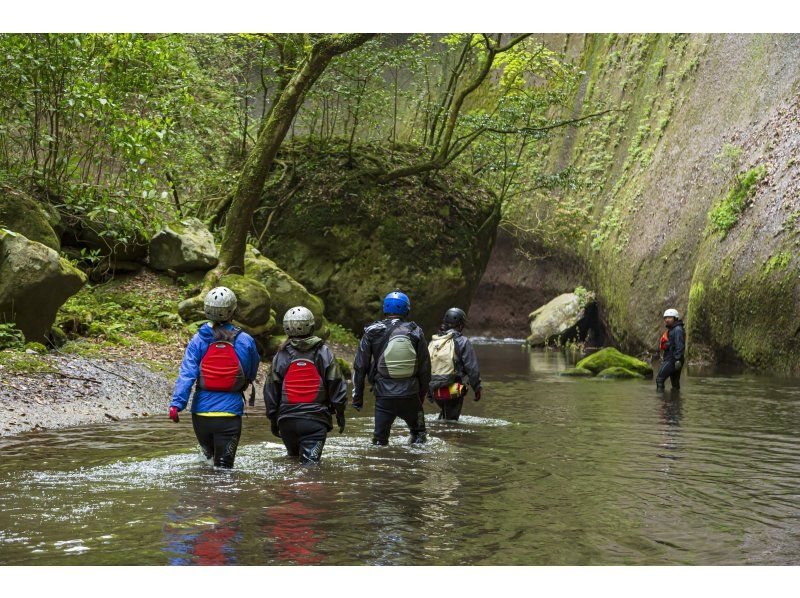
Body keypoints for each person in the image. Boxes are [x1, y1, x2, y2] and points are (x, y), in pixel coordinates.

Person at [169, 286, 260, 468]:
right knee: (224, 469)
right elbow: (251, 372)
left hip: (201, 415)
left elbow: (187, 374)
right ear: (233, 310)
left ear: (207, 310)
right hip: (229, 414)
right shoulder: (245, 340)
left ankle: (204, 496)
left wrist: (176, 405)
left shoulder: (198, 340)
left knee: (208, 463)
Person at [264, 306, 347, 463]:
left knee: (293, 462)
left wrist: (273, 418)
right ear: (312, 326)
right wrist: (340, 413)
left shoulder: (281, 354)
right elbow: (336, 383)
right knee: (310, 470)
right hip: (314, 422)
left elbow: (270, 389)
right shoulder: (323, 352)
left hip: (286, 422)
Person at [352, 290, 431, 445]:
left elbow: (360, 366)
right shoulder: (415, 331)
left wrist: (358, 397)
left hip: (383, 397)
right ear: (407, 310)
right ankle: (416, 465)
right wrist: (422, 394)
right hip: (411, 396)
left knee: (379, 441)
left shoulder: (372, 331)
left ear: (385, 308)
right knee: (420, 435)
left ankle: (381, 469)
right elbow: (425, 367)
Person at [427, 307, 483, 421]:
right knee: (452, 424)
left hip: (435, 390)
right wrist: (477, 389)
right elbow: (472, 369)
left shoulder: (435, 340)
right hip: (453, 389)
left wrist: (427, 391)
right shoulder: (462, 341)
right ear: (460, 325)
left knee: (444, 416)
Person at [656, 308, 685, 391]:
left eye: (669, 318)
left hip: (673, 359)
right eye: (665, 318)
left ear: (675, 318)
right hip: (675, 359)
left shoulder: (677, 329)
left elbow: (680, 345)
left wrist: (677, 360)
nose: (667, 320)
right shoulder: (673, 329)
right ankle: (676, 402)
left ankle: (661, 401)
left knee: (659, 379)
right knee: (675, 384)